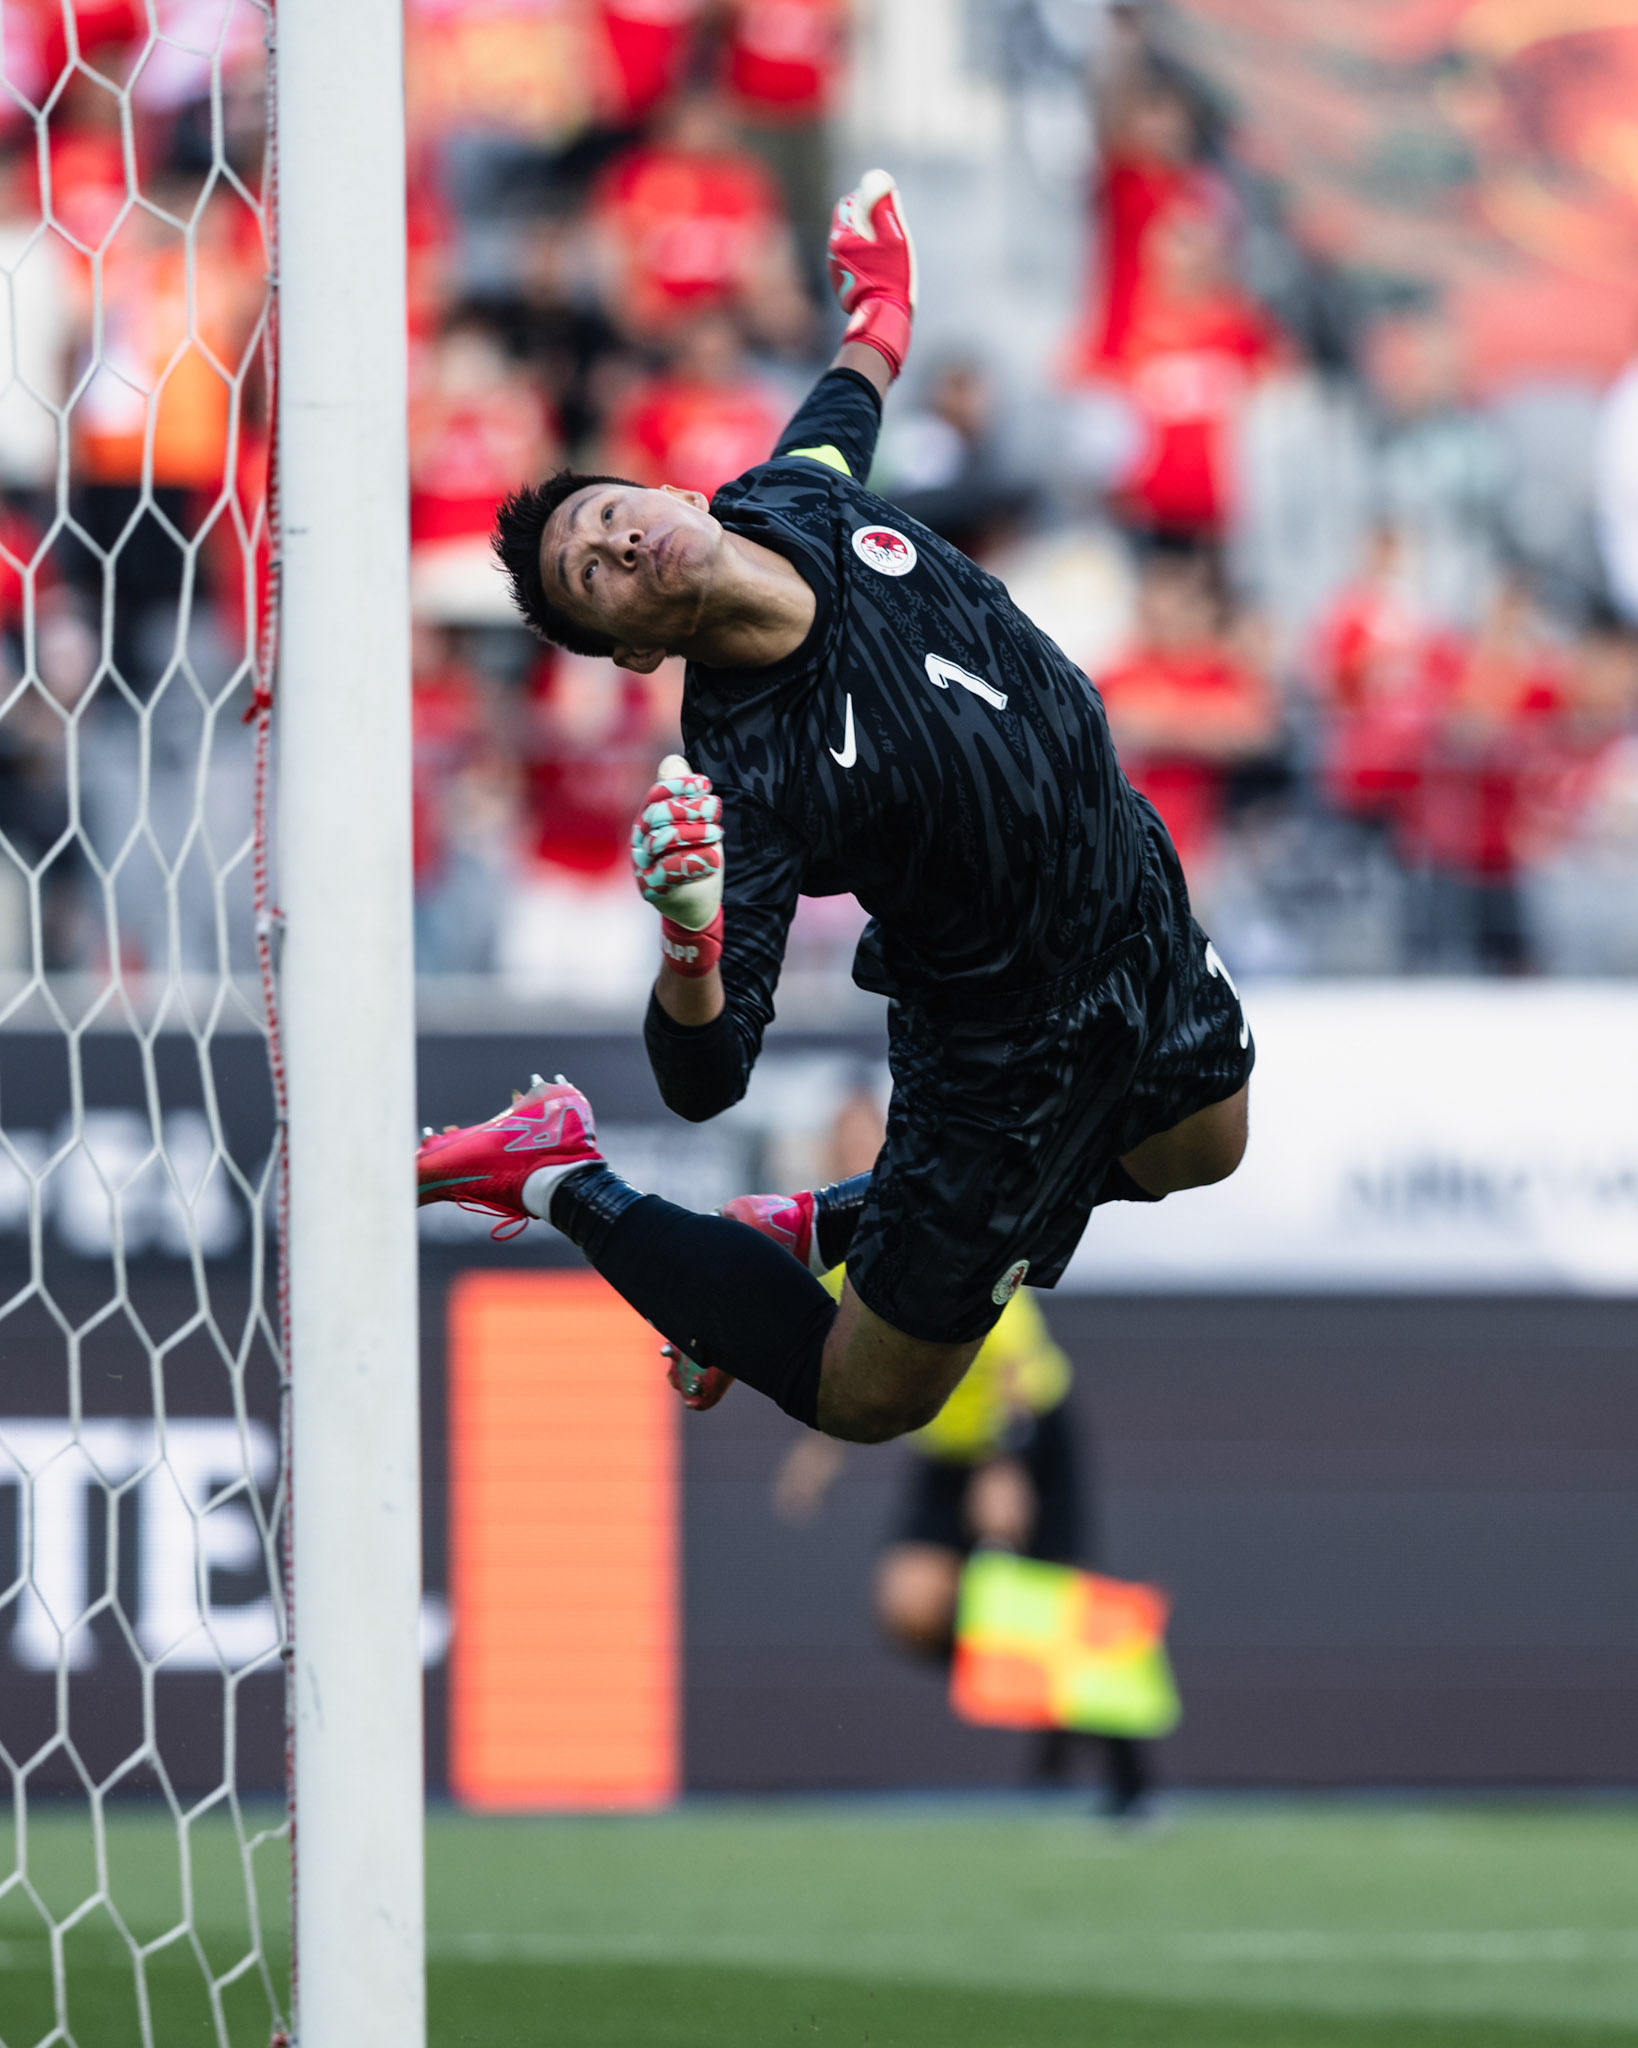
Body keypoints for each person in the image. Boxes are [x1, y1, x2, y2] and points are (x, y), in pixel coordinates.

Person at [417, 170, 1253, 1447]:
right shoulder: (741, 776)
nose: (617, 547)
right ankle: (556, 1169)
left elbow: (836, 419)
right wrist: (691, 938)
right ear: (634, 652)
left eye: (605, 517)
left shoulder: (786, 497)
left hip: (1131, 903)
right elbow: (702, 1074)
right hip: (998, 1054)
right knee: (871, 1396)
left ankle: (812, 1224)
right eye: (594, 579)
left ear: (669, 494)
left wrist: (881, 315)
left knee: (1206, 1147)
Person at [770, 1087, 1155, 1818]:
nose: (849, 1154)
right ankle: (1046, 1696)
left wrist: (1006, 1464)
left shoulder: (922, 1213)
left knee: (1064, 1606)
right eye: (838, 1142)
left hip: (1026, 1427)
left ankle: (1132, 1787)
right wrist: (818, 1455)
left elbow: (1007, 1344)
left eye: (863, 1140)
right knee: (910, 1606)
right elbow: (849, 1366)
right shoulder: (831, 1245)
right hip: (948, 1441)